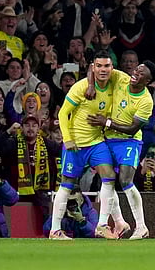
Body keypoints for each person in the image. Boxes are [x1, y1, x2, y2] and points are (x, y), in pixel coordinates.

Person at [87, 60, 155, 239]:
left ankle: (141, 226)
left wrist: (107, 122)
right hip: (108, 139)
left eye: (141, 74)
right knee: (108, 179)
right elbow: (94, 68)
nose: (136, 74)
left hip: (129, 141)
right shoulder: (120, 78)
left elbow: (133, 129)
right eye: (137, 70)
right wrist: (90, 85)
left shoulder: (146, 101)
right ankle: (113, 223)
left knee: (126, 180)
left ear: (148, 82)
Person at [49, 51, 117, 240]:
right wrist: (67, 138)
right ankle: (55, 230)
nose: (103, 70)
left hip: (96, 142)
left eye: (106, 66)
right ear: (93, 68)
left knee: (109, 176)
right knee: (67, 185)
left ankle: (102, 225)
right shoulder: (80, 88)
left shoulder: (114, 86)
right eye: (99, 66)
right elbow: (63, 114)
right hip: (76, 144)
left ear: (112, 68)